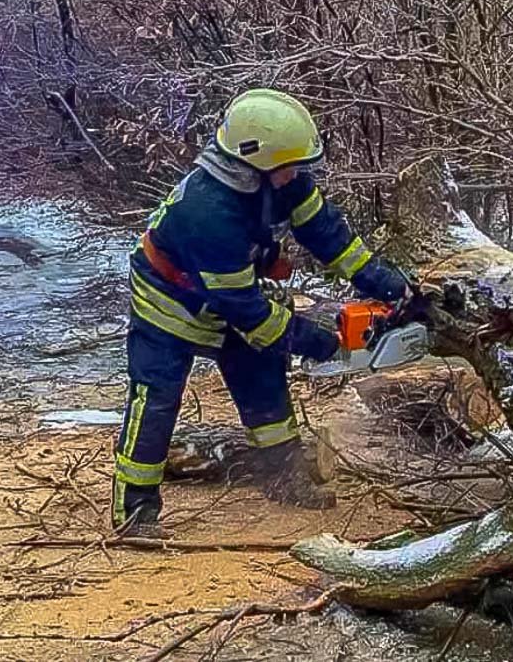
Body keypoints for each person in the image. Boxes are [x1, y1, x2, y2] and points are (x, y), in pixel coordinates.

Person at [113, 88, 415, 536]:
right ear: (255, 163)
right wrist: (312, 340)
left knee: (263, 379)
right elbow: (244, 309)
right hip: (168, 302)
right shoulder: (208, 212)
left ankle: (283, 476)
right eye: (290, 166)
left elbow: (327, 233)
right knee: (156, 398)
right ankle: (135, 511)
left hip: (228, 291)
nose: (297, 175)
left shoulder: (282, 180)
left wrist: (384, 282)